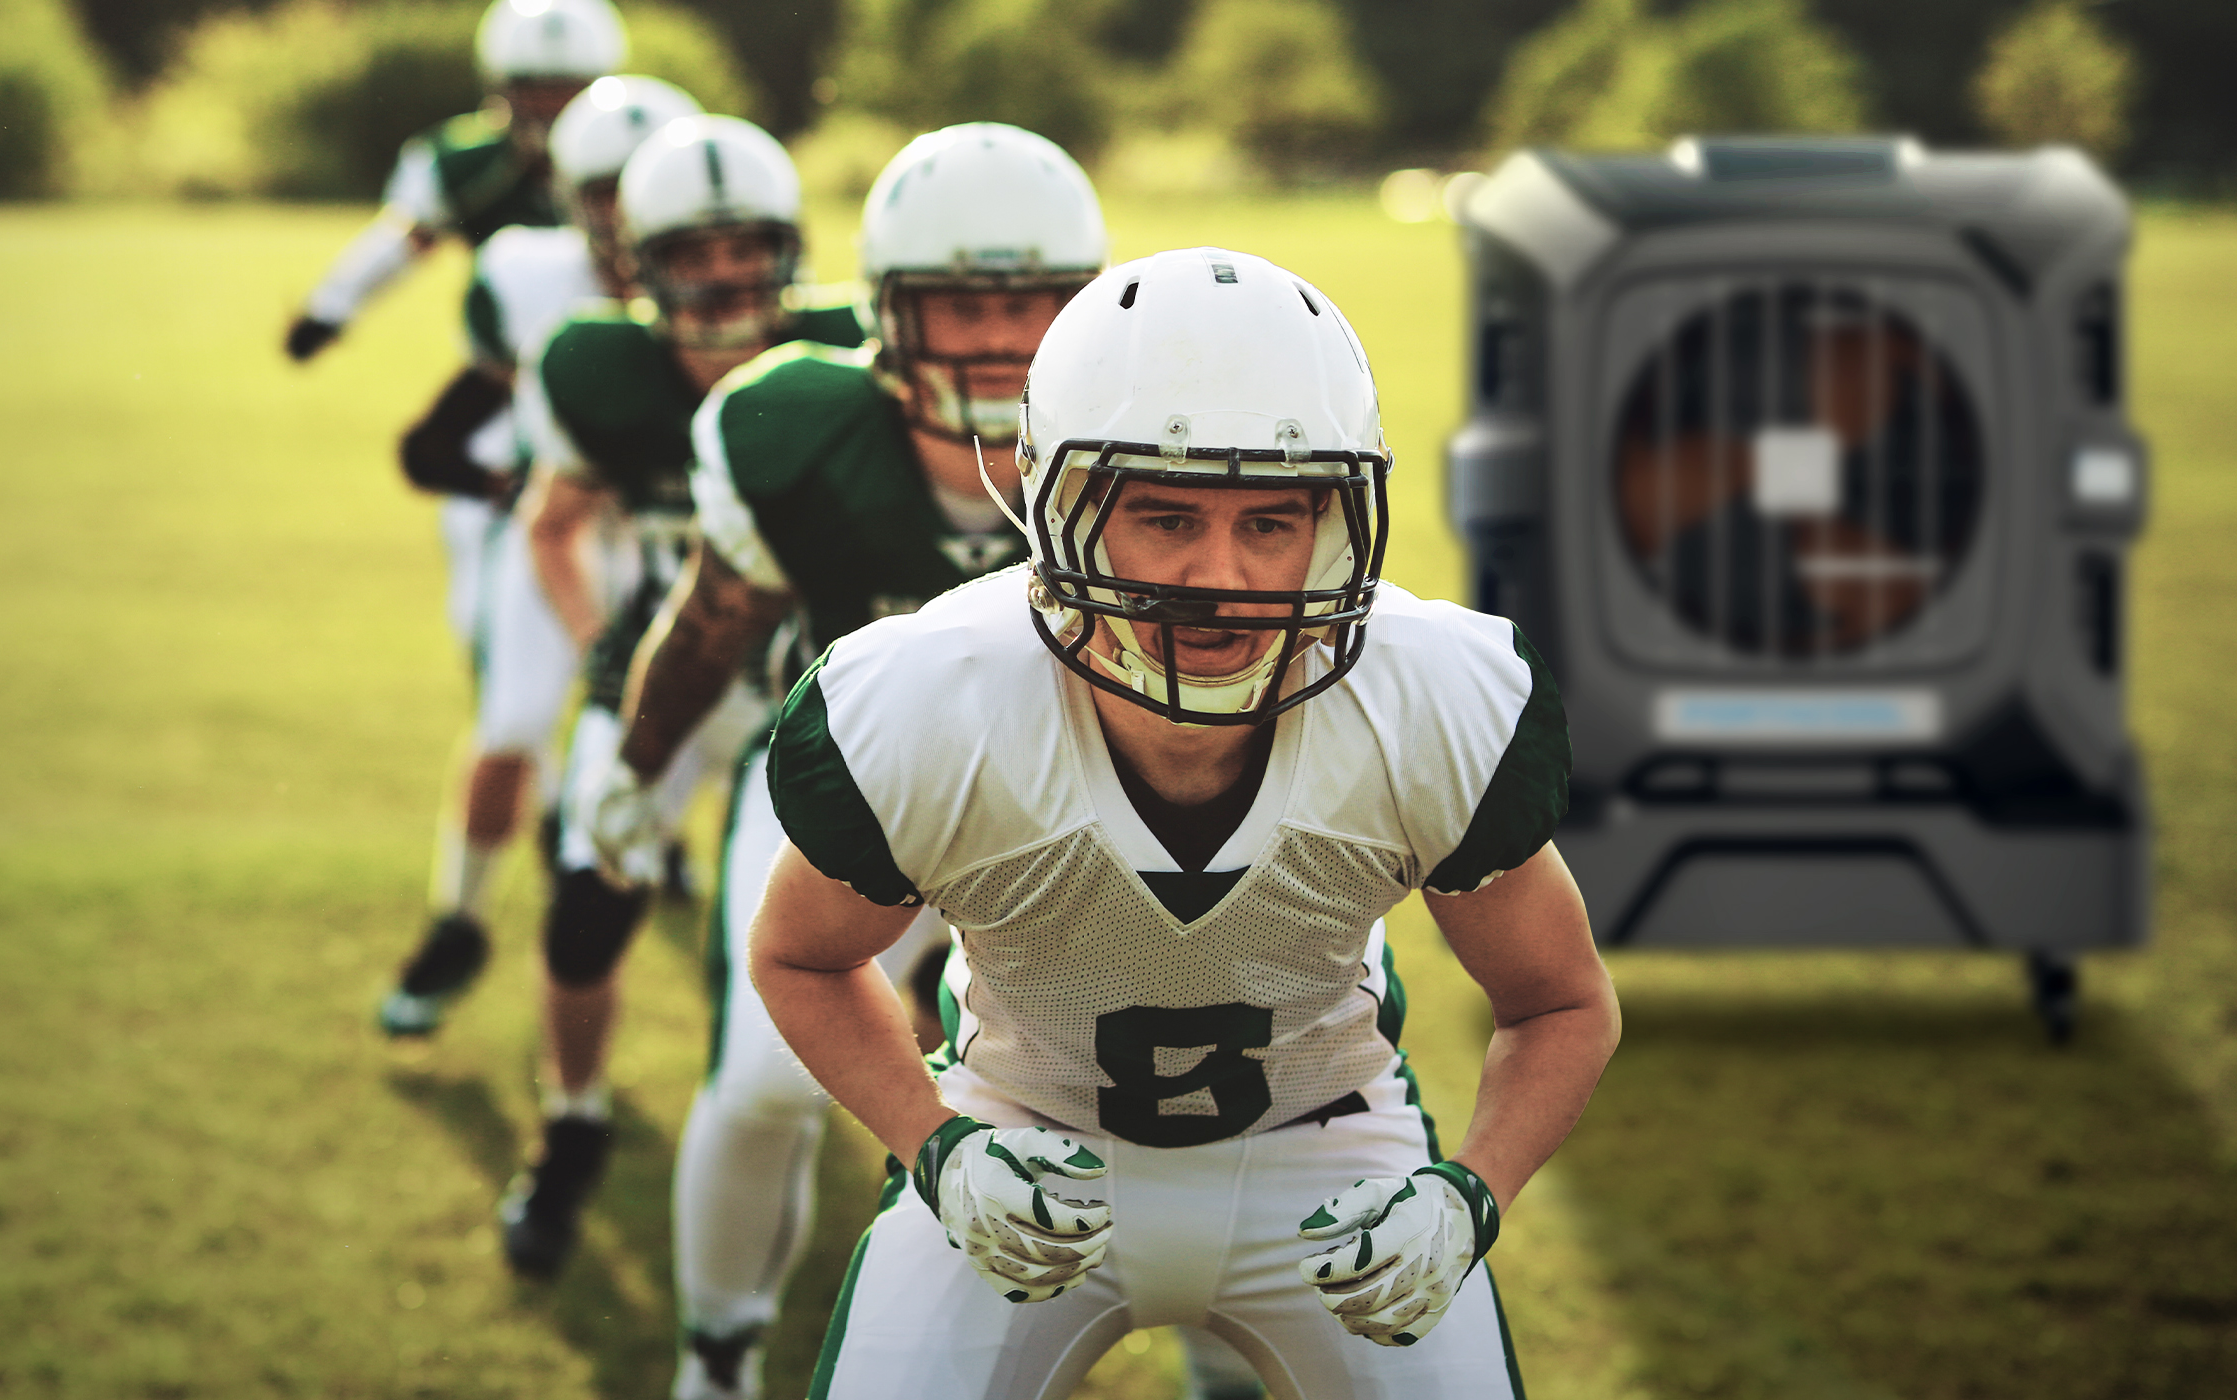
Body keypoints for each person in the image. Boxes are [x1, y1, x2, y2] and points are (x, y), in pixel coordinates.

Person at [744, 245, 1619, 1399]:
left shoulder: (1430, 700)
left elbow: (1561, 1000)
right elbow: (797, 955)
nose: (1223, 574)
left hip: (1332, 1154)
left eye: (1273, 520)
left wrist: (1469, 1192)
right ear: (1061, 509)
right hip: (1023, 1135)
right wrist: (939, 1147)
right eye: (1164, 515)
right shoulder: (938, 698)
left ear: (1340, 522)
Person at [582, 122, 1084, 1396]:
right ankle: (720, 1341)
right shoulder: (790, 426)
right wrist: (638, 767)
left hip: (1088, 805)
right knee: (760, 1082)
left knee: (1151, 1099)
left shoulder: (1152, 428)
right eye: (960, 302)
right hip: (858, 787)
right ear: (889, 313)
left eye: (1028, 300)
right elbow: (711, 622)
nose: (993, 337)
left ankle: (1218, 1338)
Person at [490, 114, 870, 1282]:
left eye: (743, 245)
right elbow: (553, 524)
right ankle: (574, 1118)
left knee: (811, 939)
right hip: (665, 674)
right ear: (634, 258)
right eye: (691, 251)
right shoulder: (597, 366)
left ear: (788, 247)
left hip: (804, 693)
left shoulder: (847, 351)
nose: (719, 275)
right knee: (586, 905)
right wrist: (610, 649)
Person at [293, 0, 626, 1028]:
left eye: (571, 91)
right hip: (519, 462)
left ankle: (612, 830)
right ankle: (468, 910)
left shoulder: (644, 158)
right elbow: (408, 239)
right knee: (515, 713)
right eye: (538, 88)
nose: (556, 109)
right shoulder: (498, 225)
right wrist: (334, 304)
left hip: (649, 487)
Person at [375, 72, 708, 1040]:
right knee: (513, 722)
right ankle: (460, 919)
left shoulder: (724, 284)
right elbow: (482, 394)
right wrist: (449, 448)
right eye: (602, 189)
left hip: (676, 543)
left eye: (638, 186)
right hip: (556, 528)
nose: (621, 214)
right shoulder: (526, 275)